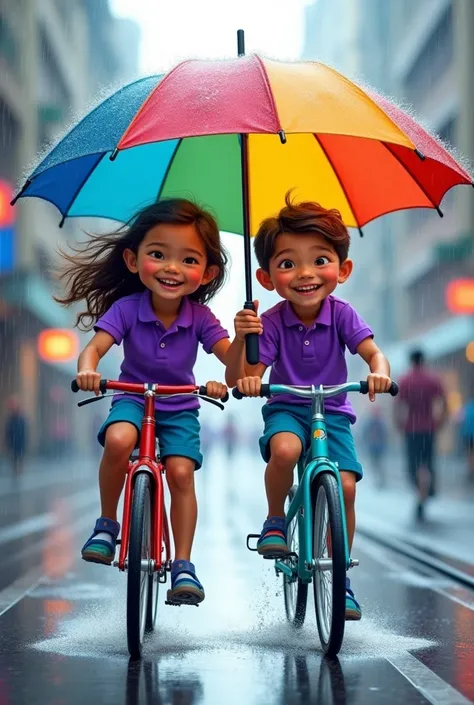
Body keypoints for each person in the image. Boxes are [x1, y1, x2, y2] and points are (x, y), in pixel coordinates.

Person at [55, 199, 230, 605]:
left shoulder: (201, 318)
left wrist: (237, 353)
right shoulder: (127, 309)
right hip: (133, 397)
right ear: (133, 261)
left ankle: (184, 565)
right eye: (158, 255)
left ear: (206, 273)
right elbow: (95, 348)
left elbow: (233, 361)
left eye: (188, 259)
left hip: (181, 405)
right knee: (118, 441)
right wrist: (88, 369)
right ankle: (107, 524)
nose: (171, 267)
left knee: (182, 474)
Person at [226, 194, 392, 621]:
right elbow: (246, 373)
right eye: (287, 264)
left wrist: (378, 371)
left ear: (343, 269)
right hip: (287, 407)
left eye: (320, 260)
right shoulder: (275, 321)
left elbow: (374, 354)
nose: (304, 274)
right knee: (284, 451)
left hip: (333, 413)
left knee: (347, 488)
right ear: (265, 278)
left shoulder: (342, 314)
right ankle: (275, 519)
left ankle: (343, 578)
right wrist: (246, 352)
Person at [394, 349, 448, 520]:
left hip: (411, 429)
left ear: (411, 361)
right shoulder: (433, 379)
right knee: (428, 462)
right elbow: (444, 402)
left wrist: (399, 425)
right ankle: (427, 489)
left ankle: (421, 492)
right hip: (429, 428)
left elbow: (397, 406)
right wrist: (440, 421)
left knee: (413, 466)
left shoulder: (405, 380)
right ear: (423, 360)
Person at [361, 406, 388, 488]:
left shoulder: (380, 423)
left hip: (379, 447)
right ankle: (378, 479)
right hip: (373, 447)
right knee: (375, 464)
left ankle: (381, 480)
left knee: (379, 463)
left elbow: (385, 435)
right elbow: (365, 434)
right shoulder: (370, 423)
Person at [4, 395, 28, 477]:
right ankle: (16, 470)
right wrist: (7, 441)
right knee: (14, 457)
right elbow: (8, 431)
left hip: (19, 441)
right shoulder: (11, 418)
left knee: (19, 456)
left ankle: (19, 470)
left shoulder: (20, 418)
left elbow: (24, 431)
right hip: (13, 441)